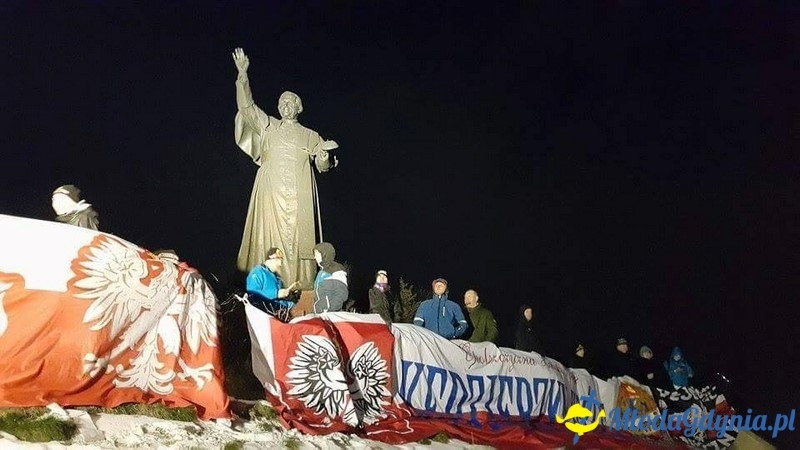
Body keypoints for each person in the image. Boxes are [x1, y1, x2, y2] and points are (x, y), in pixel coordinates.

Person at [232, 48, 339, 289]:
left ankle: (302, 286)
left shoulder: (310, 135)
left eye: (291, 102)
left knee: (300, 242)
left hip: (299, 195)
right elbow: (247, 108)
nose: (286, 106)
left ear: (299, 108)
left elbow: (324, 165)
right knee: (268, 238)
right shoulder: (268, 126)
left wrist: (323, 157)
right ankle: (267, 284)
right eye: (282, 103)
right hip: (271, 191)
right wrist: (242, 75)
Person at [245, 247, 301, 313]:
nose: (280, 264)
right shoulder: (257, 273)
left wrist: (291, 299)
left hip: (277, 315)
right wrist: (276, 293)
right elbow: (252, 294)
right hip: (263, 316)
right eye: (277, 260)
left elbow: (278, 301)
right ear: (269, 259)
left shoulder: (277, 278)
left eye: (281, 261)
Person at [311, 242, 348, 313]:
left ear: (325, 254)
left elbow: (341, 294)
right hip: (320, 314)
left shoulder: (336, 270)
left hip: (329, 315)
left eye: (317, 254)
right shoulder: (321, 271)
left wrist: (330, 312)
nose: (314, 257)